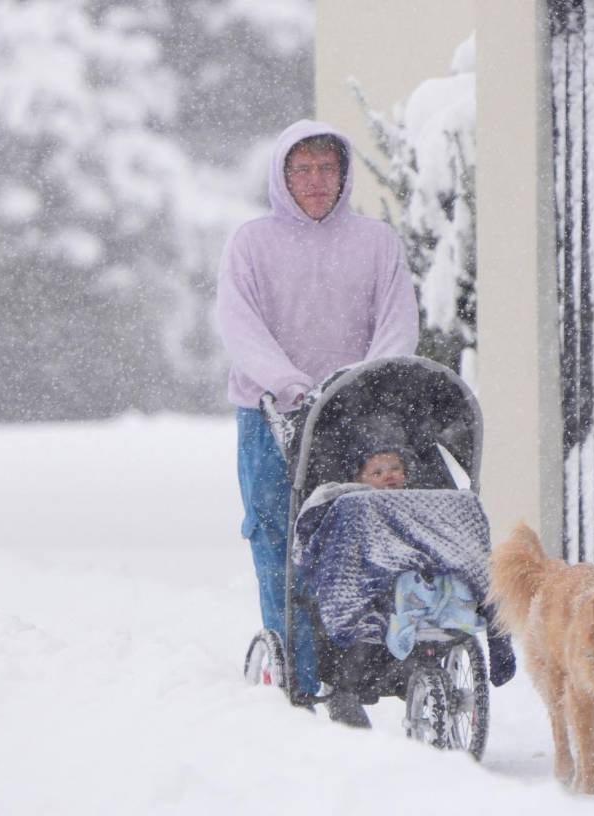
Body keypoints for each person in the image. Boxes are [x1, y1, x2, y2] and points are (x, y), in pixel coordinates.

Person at [215, 120, 420, 714]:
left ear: (344, 174)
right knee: (279, 535)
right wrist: (289, 384)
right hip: (272, 413)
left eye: (326, 168)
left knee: (354, 537)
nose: (314, 181)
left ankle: (357, 665)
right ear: (282, 176)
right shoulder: (251, 244)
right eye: (301, 169)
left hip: (356, 413)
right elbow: (240, 325)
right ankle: (299, 673)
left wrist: (367, 381)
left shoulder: (376, 243)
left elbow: (397, 319)